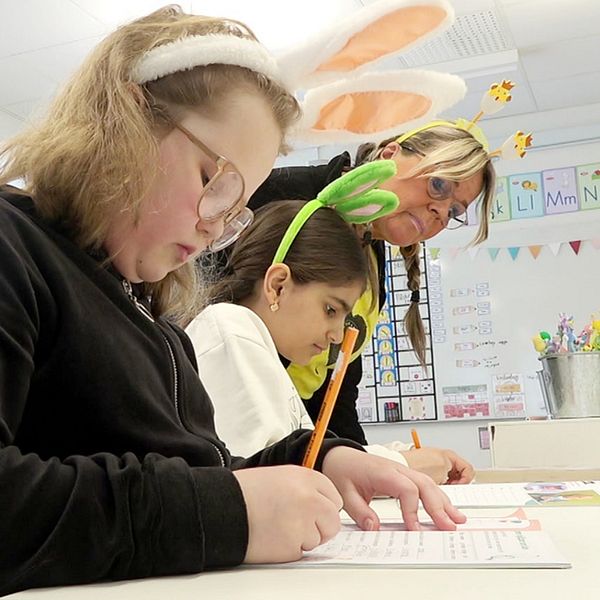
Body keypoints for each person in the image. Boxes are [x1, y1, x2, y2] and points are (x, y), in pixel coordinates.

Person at [0, 6, 465, 596]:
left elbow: (191, 473)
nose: (212, 228)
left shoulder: (155, 324)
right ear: (124, 121)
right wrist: (227, 513)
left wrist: (317, 460)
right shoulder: (14, 250)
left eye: (233, 208)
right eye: (211, 181)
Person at [219, 122, 495, 479]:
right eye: (438, 185)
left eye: (455, 211)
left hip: (294, 447)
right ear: (390, 153)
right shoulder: (288, 196)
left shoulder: (372, 255)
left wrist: (373, 469)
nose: (441, 213)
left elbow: (338, 388)